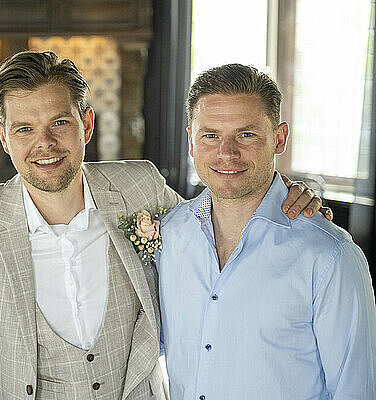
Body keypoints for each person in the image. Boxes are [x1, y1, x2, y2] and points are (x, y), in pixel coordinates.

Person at [0, 51, 327, 399]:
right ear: (3, 137)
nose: (45, 143)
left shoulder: (140, 187)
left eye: (59, 123)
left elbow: (220, 220)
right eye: (24, 129)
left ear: (86, 124)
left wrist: (286, 195)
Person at [159, 63, 376, 399]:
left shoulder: (329, 256)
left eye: (246, 134)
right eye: (210, 135)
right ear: (191, 140)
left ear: (279, 138)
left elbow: (356, 389)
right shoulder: (168, 235)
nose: (226, 152)